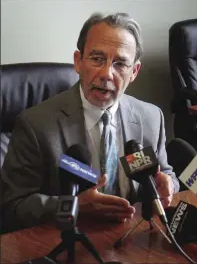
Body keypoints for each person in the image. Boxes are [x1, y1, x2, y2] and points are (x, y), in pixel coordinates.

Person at [0, 12, 179, 232]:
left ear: (134, 72)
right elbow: (11, 207)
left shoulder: (150, 117)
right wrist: (75, 206)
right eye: (97, 59)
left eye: (120, 63)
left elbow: (166, 174)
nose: (106, 74)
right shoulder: (35, 125)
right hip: (65, 240)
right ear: (78, 61)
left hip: (132, 237)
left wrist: (167, 185)